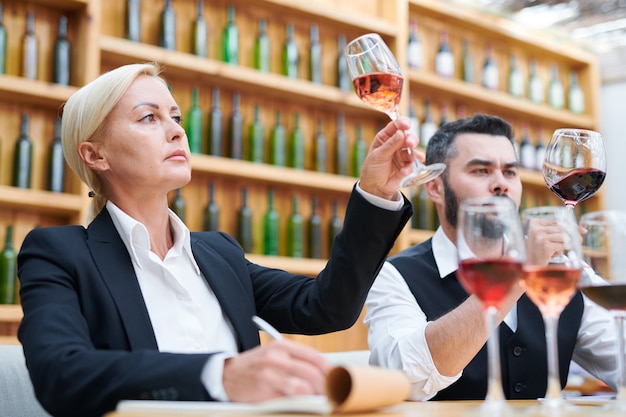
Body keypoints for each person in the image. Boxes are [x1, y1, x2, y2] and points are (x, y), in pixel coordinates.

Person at [17, 62, 416, 417]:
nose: (176, 131)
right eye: (148, 118)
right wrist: (222, 374)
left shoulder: (218, 253)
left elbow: (327, 308)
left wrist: (376, 194)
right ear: (96, 155)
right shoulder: (59, 253)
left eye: (175, 116)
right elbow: (61, 375)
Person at [364, 113, 618, 401]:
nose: (501, 184)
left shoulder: (563, 269)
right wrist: (522, 272)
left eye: (510, 172)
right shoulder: (393, 276)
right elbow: (406, 380)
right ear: (435, 187)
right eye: (481, 171)